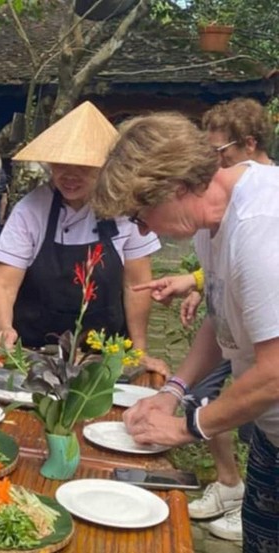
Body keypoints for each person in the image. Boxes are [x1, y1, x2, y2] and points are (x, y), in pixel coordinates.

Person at [94, 112, 279, 553]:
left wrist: (186, 428)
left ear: (175, 186)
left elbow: (275, 372)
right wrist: (174, 390)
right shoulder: (210, 225)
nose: (141, 229)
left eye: (140, 214)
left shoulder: (259, 224)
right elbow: (222, 318)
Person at [0, 101, 167, 375]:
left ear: (104, 167)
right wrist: (3, 329)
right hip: (35, 353)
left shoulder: (124, 209)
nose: (70, 175)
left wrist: (140, 352)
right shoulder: (30, 210)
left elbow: (137, 284)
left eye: (83, 167)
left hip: (104, 357)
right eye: (61, 165)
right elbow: (3, 285)